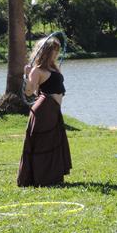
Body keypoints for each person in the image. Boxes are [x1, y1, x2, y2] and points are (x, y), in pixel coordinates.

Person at [17, 36, 72, 186]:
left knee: (53, 142)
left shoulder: (54, 68)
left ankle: (53, 177)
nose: (56, 53)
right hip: (44, 109)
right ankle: (40, 178)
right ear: (46, 51)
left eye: (57, 50)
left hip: (54, 110)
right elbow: (29, 92)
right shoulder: (37, 70)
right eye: (53, 50)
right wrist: (27, 76)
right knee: (43, 143)